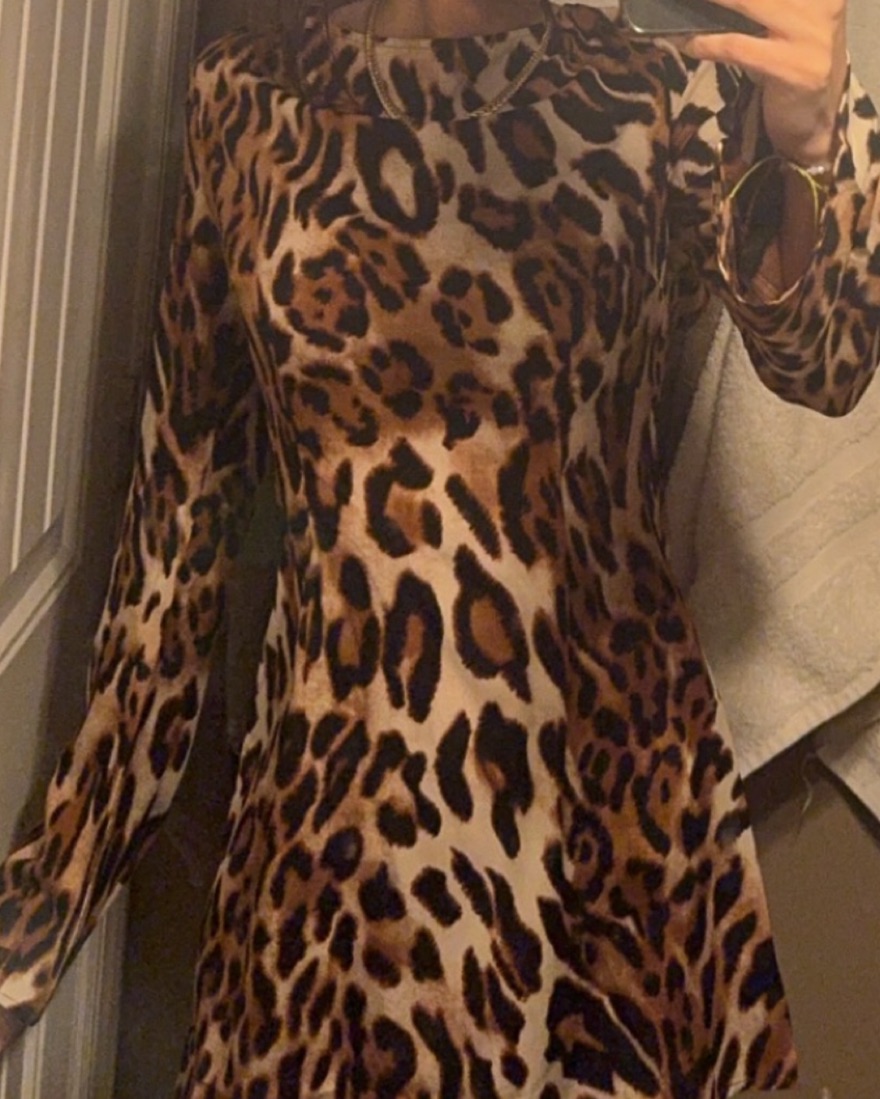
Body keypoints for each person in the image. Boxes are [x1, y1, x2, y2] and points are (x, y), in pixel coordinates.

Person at [1, 0, 877, 1094]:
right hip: (328, 845)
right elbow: (173, 550)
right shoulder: (243, 101)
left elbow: (827, 363)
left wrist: (817, 140)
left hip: (605, 837)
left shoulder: (656, 92)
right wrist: (45, 906)